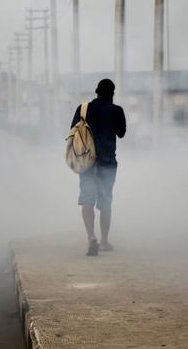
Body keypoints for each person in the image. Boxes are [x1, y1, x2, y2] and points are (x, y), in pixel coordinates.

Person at [71, 79, 126, 256]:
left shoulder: (83, 108)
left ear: (96, 91)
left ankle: (91, 236)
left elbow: (72, 131)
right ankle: (104, 241)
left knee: (87, 199)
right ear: (112, 93)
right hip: (107, 163)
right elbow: (121, 133)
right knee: (105, 202)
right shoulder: (116, 110)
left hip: (87, 162)